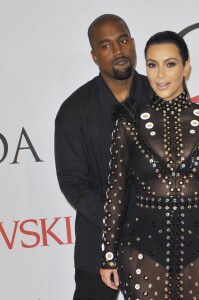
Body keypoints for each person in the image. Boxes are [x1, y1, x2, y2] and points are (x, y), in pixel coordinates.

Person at [100, 31, 199, 299]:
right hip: (141, 251)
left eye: (170, 64)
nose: (160, 75)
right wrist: (108, 254)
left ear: (186, 67)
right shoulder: (128, 124)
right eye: (152, 65)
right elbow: (116, 193)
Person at [55, 14, 152, 300]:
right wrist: (119, 222)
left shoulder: (164, 98)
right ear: (95, 55)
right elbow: (74, 183)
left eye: (123, 40)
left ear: (133, 44)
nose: (118, 50)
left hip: (160, 239)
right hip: (98, 242)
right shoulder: (73, 111)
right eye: (106, 45)